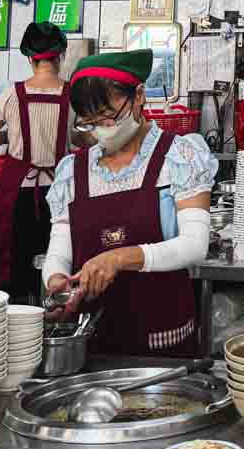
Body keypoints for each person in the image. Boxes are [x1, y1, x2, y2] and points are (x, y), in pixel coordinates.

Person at [42, 50, 218, 355]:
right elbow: (59, 248)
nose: (100, 130)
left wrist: (118, 258)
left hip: (163, 341)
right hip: (92, 342)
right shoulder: (73, 171)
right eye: (89, 123)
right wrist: (57, 280)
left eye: (108, 117)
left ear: (138, 96)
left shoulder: (180, 157)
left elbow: (194, 245)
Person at [0, 21, 72, 302]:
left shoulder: (12, 95)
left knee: (16, 265)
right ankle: (55, 323)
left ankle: (20, 327)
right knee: (58, 262)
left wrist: (9, 137)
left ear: (29, 58)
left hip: (20, 193)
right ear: (61, 55)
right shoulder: (71, 95)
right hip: (59, 195)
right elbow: (83, 140)